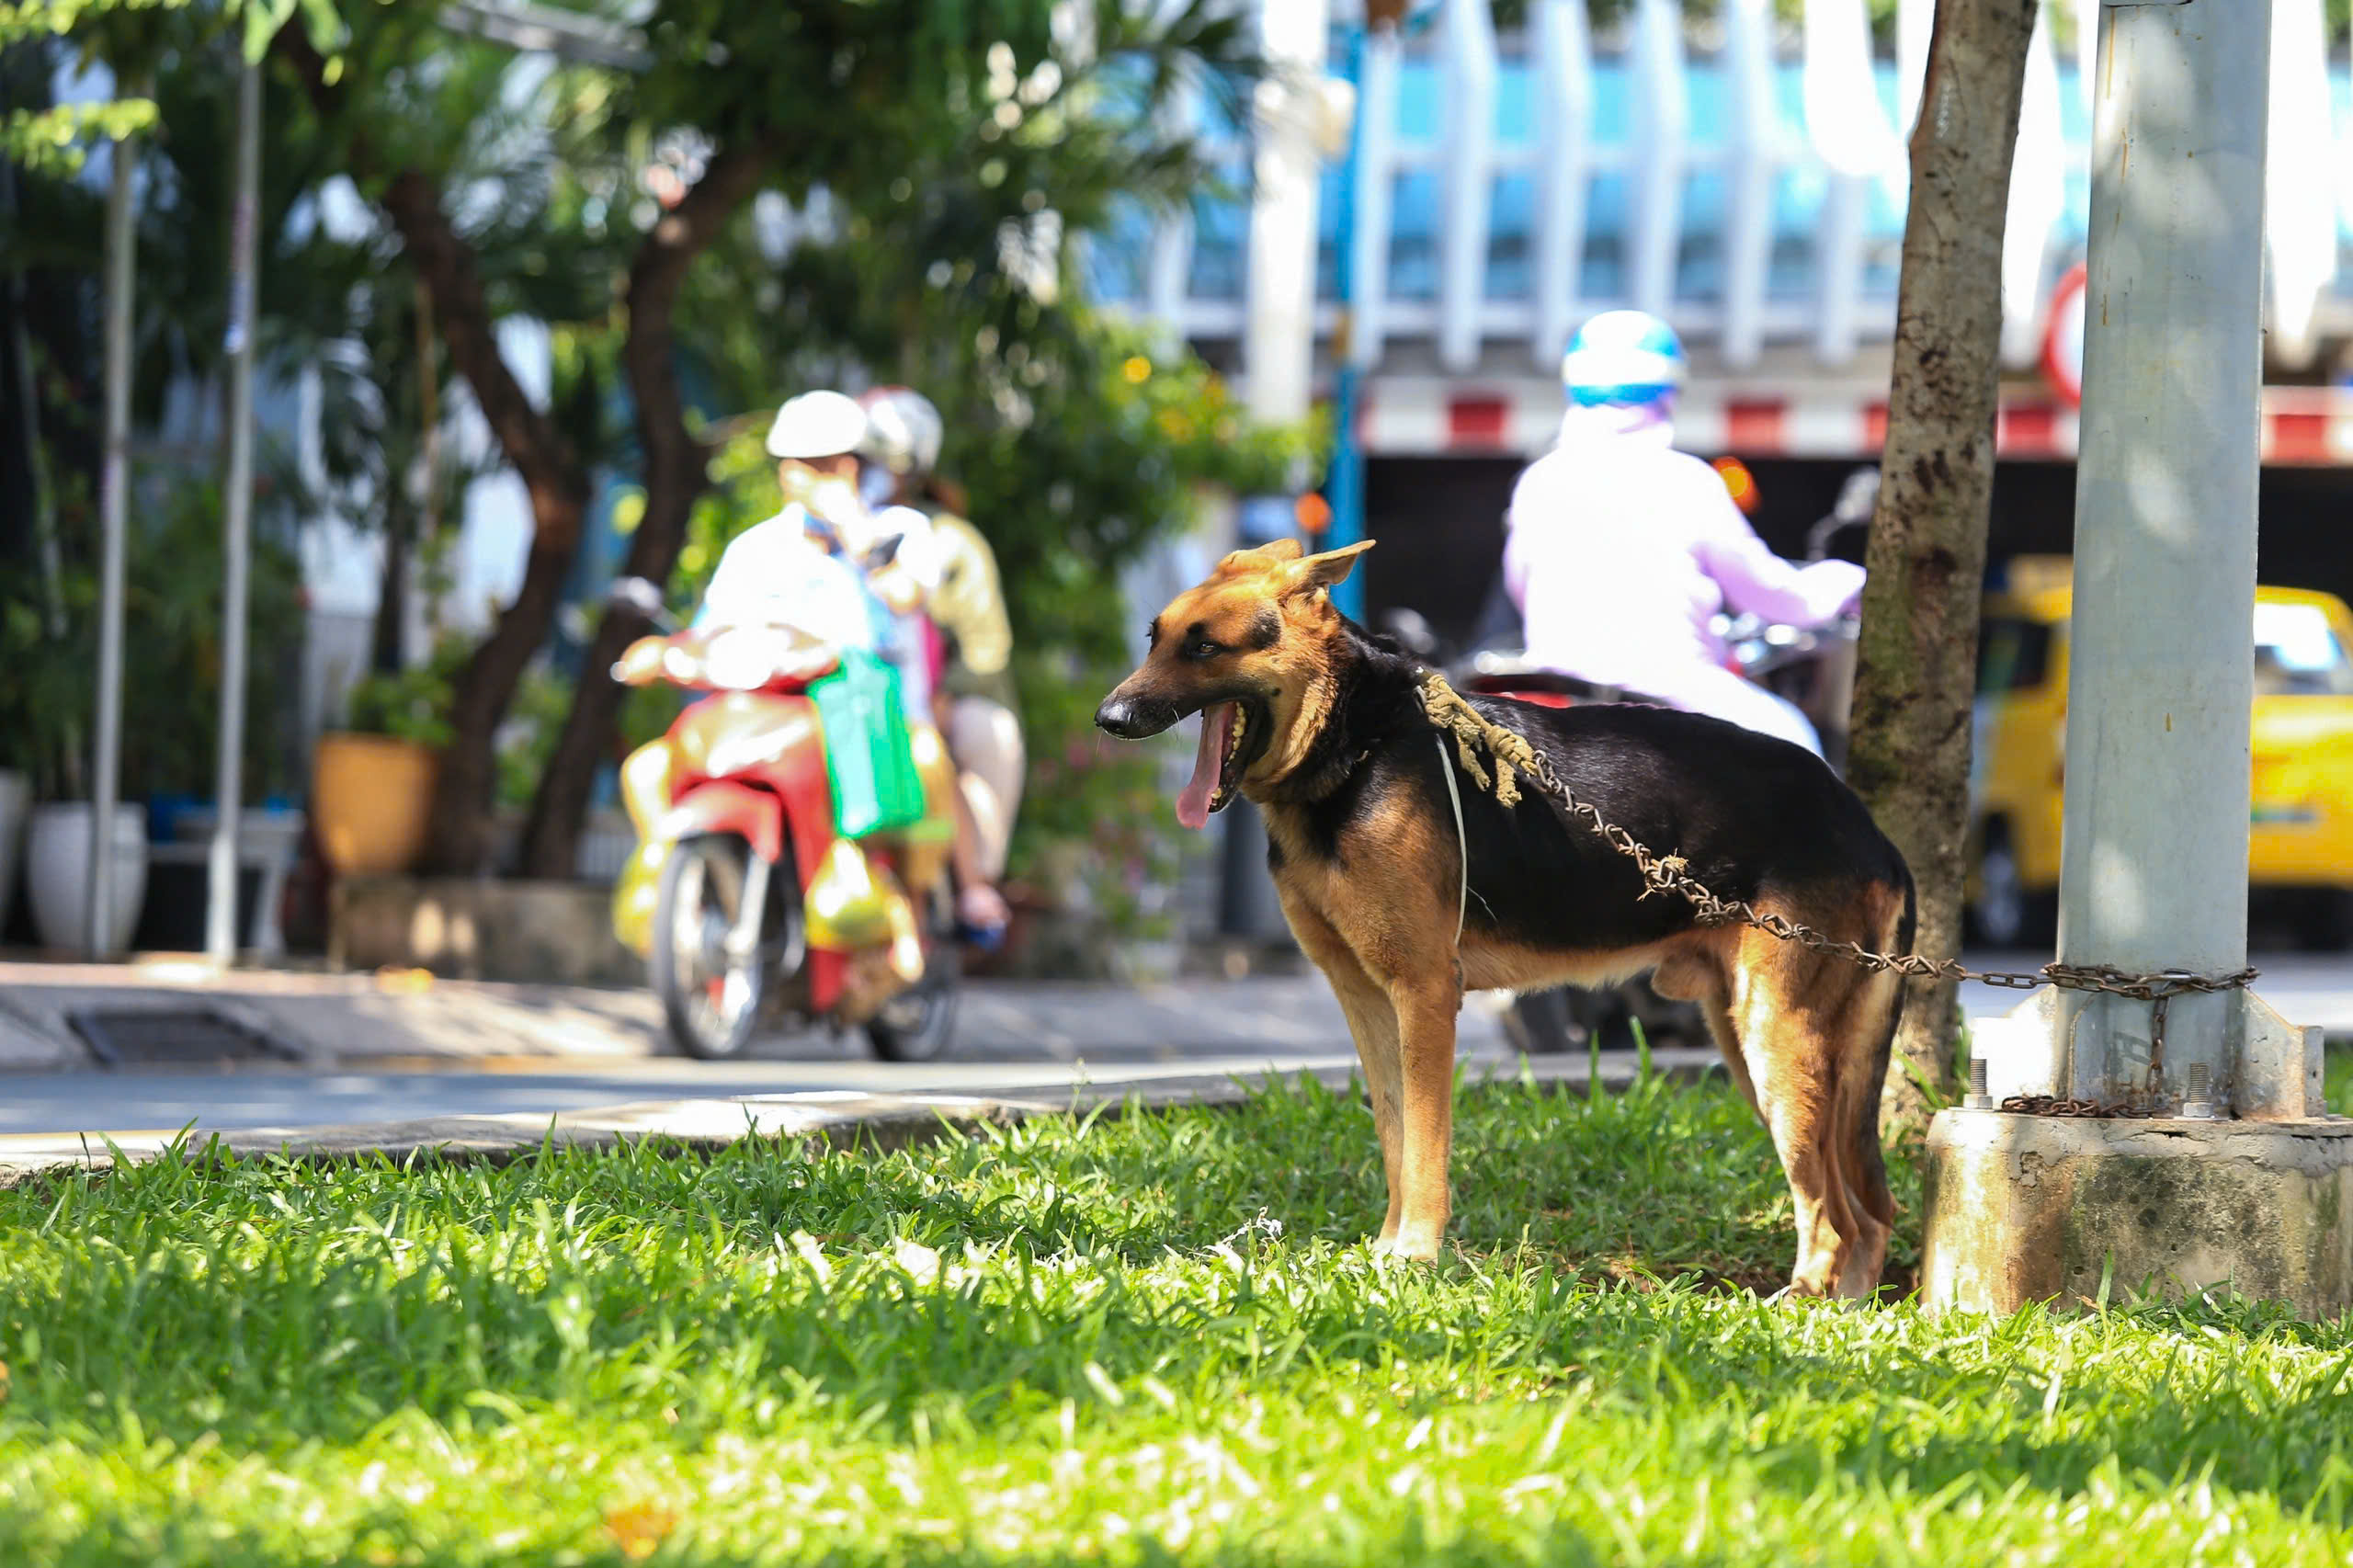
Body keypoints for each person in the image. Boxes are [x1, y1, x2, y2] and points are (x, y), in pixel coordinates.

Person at [1503, 311, 1864, 756]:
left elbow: (1521, 589)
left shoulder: (1538, 481)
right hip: (1671, 691)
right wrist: (1846, 583)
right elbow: (1770, 595)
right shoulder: (1689, 481)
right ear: (1668, 392)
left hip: (1555, 697)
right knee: (1797, 746)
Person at [858, 386, 1020, 937]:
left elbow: (984, 645)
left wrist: (946, 695)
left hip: (946, 697)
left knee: (974, 738)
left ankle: (974, 887)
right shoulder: (823, 528)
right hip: (861, 687)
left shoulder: (941, 539)